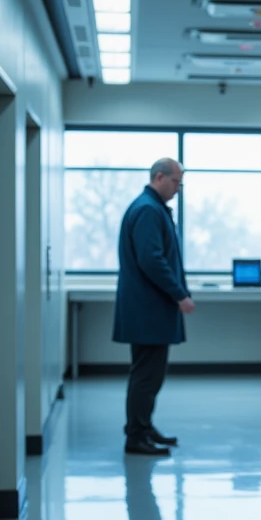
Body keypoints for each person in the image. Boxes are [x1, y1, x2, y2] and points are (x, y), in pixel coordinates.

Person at [113, 158, 194, 456]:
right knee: (146, 377)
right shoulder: (148, 210)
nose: (178, 189)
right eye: (176, 182)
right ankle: (136, 436)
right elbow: (152, 260)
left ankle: (143, 427)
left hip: (148, 307)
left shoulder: (152, 207)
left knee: (148, 375)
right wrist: (179, 294)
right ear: (159, 177)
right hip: (149, 308)